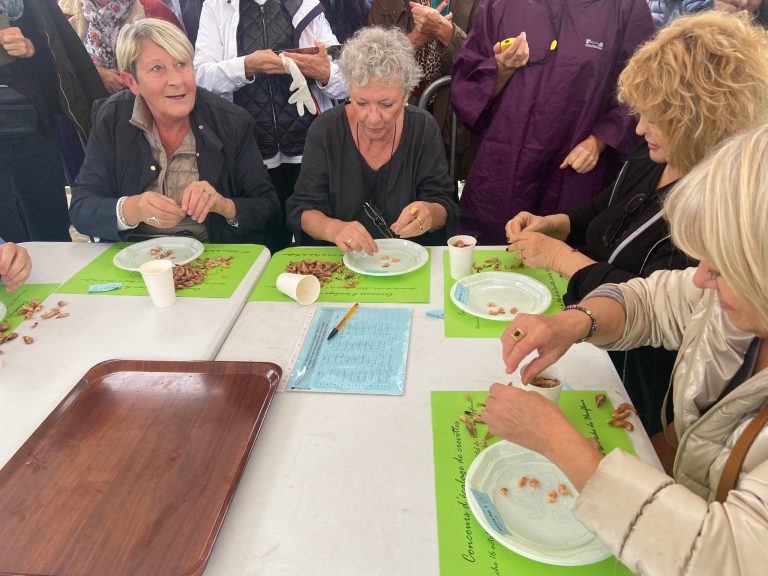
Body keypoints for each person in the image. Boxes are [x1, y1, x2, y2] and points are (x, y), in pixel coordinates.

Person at [485, 122, 768, 575]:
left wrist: (556, 442)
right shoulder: (733, 303)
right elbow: (652, 300)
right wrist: (573, 321)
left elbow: (727, 557)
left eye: (721, 265)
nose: (700, 276)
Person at [503, 11, 768, 434]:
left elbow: (655, 303)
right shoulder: (653, 157)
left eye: (657, 116)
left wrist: (563, 259)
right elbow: (608, 211)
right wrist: (556, 222)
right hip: (596, 343)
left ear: (701, 119)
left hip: (637, 390)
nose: (640, 126)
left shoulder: (721, 213)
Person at [451, 0, 655, 245]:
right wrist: (501, 68)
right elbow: (467, 88)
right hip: (507, 162)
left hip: (575, 168)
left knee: (564, 260)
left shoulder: (624, 7)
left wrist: (600, 140)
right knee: (493, 256)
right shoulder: (501, 5)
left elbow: (643, 84)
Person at [69, 18, 281, 246]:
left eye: (182, 64)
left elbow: (269, 209)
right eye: (157, 68)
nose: (177, 80)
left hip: (211, 257)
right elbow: (81, 208)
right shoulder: (112, 118)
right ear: (132, 82)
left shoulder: (230, 122)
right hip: (130, 257)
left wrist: (223, 205)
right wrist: (133, 208)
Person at [285, 26, 458, 253]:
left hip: (409, 263)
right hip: (342, 268)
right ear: (349, 92)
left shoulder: (422, 129)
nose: (373, 118)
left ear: (407, 95)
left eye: (387, 105)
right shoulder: (325, 130)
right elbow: (302, 209)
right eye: (361, 103)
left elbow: (443, 204)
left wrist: (428, 213)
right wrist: (334, 229)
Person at [194, 0, 347, 250]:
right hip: (250, 151)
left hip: (308, 147)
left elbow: (345, 79)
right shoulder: (217, 6)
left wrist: (324, 72)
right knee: (263, 237)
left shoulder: (306, 4)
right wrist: (246, 65)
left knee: (315, 237)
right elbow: (200, 77)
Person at [0, 0, 107, 243]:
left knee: (52, 233)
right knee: (7, 244)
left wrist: (30, 47)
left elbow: (57, 51)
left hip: (34, 121)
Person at [59, 0, 184, 95]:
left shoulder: (154, 10)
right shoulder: (62, 15)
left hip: (149, 105)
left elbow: (182, 64)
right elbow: (60, 68)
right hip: (91, 112)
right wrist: (97, 72)